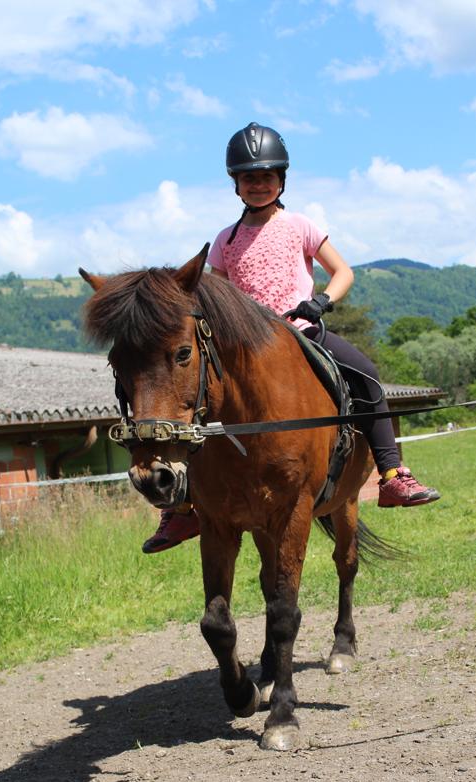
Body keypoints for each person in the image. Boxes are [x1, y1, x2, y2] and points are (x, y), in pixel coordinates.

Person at [143, 122, 440, 553]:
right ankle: (184, 507)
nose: (258, 184)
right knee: (196, 401)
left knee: (367, 375)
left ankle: (393, 475)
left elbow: (344, 272)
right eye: (249, 177)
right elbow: (218, 295)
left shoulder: (300, 225)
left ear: (281, 179)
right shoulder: (225, 240)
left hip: (302, 333)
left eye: (266, 176)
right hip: (244, 348)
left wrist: (321, 301)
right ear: (235, 184)